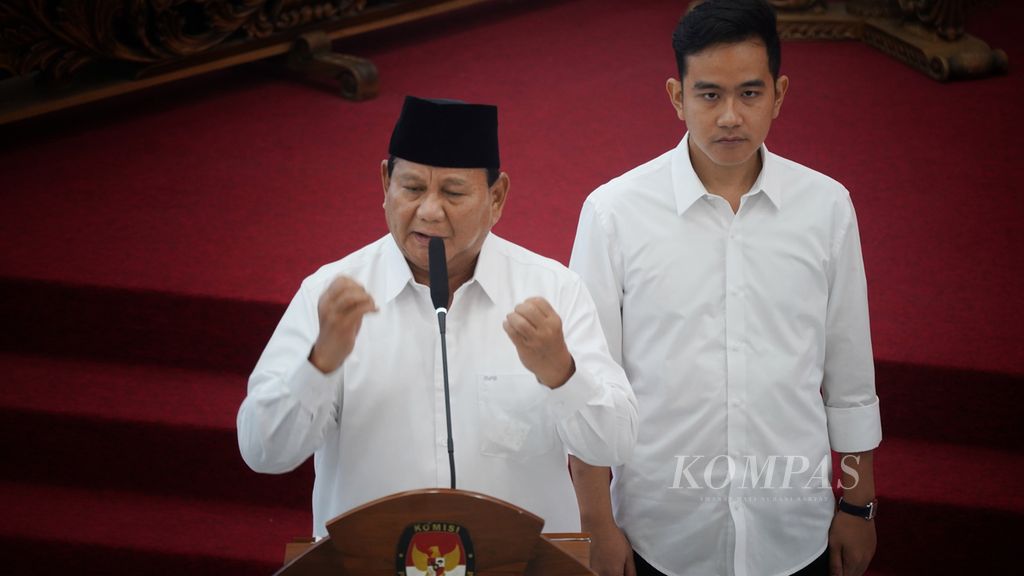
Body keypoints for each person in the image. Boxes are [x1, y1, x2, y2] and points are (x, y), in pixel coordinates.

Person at [568, 1, 881, 575]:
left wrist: (858, 505)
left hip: (794, 531)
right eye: (709, 94)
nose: (731, 116)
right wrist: (595, 524)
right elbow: (589, 387)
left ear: (780, 94)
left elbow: (850, 377)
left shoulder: (827, 208)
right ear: (676, 96)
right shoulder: (613, 214)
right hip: (659, 534)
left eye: (750, 94)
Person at [237, 95, 638, 538]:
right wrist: (320, 364)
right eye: (411, 189)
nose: (429, 211)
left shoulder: (551, 291)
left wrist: (562, 373)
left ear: (497, 196)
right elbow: (263, 452)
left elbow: (616, 442)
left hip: (520, 566)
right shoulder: (331, 295)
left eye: (452, 193)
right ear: (385, 183)